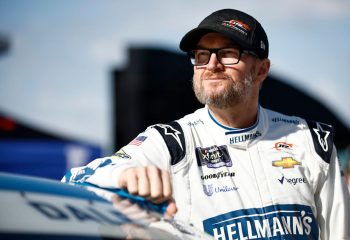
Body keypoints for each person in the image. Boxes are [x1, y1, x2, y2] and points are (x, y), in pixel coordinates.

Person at [62, 9, 350, 239]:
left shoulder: (312, 140)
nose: (212, 65)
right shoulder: (171, 141)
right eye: (202, 55)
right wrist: (123, 177)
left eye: (227, 53)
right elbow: (73, 183)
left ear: (262, 69)